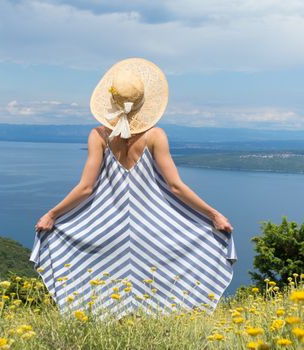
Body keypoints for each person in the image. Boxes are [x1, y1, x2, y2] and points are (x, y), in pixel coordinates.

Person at [30, 57, 237, 321]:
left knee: (104, 297)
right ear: (143, 102)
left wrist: (52, 215)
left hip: (105, 229)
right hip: (154, 231)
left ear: (111, 102)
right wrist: (213, 214)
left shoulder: (99, 135)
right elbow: (175, 187)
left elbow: (85, 189)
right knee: (156, 300)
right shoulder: (155, 136)